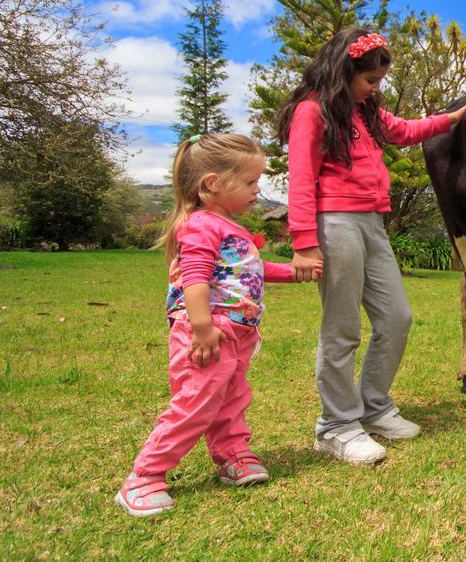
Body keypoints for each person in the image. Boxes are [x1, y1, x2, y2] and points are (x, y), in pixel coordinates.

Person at [277, 27, 466, 464]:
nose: (376, 89)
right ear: (344, 70)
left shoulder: (366, 113)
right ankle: (335, 426)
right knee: (342, 328)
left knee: (396, 317)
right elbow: (300, 179)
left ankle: (373, 407)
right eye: (370, 80)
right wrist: (303, 243)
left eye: (379, 82)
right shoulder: (312, 113)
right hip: (335, 224)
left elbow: (407, 130)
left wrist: (451, 119)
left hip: (372, 223)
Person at [116, 134, 323, 517]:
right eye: (249, 183)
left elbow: (247, 271)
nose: (257, 191)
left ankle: (232, 456)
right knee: (196, 402)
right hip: (210, 333)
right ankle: (144, 476)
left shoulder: (228, 226)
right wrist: (202, 327)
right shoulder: (200, 225)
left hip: (236, 333)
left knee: (231, 398)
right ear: (212, 184)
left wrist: (295, 272)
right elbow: (194, 278)